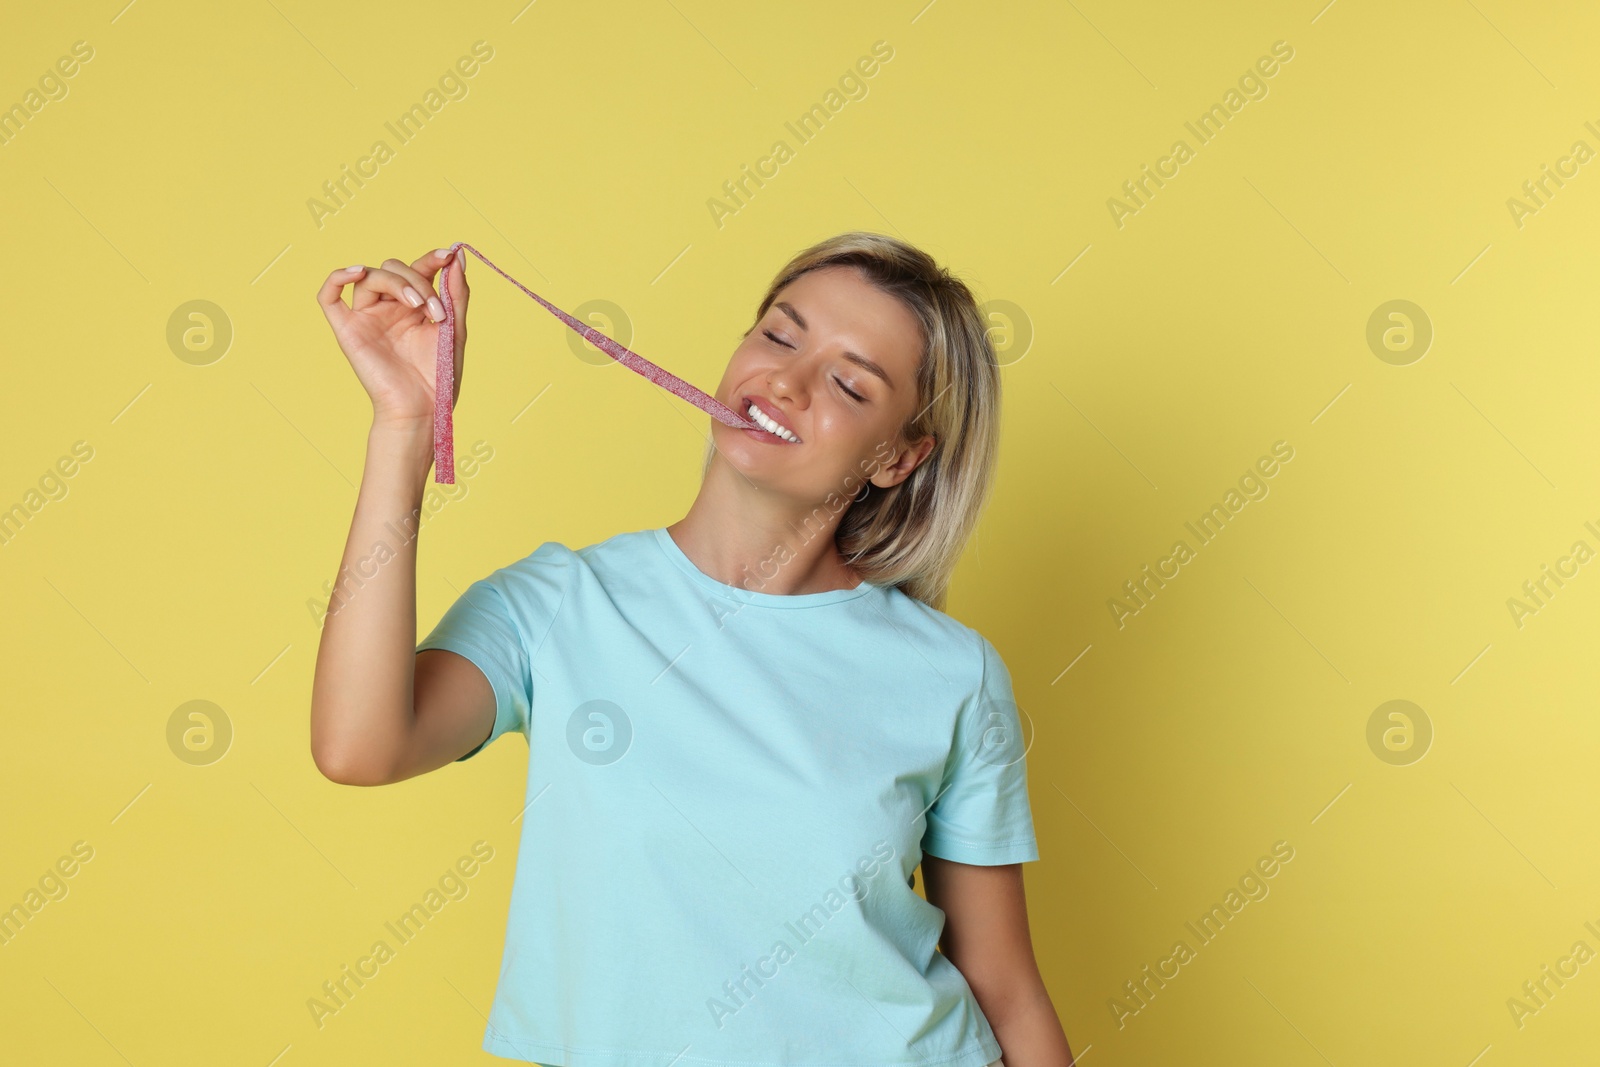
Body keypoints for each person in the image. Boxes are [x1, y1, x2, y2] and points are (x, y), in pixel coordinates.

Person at [310, 232, 1075, 1066]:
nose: (785, 381)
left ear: (898, 458)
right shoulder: (561, 603)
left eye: (849, 385)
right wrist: (405, 423)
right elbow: (359, 746)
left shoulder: (953, 674)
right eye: (779, 335)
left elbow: (1005, 988)